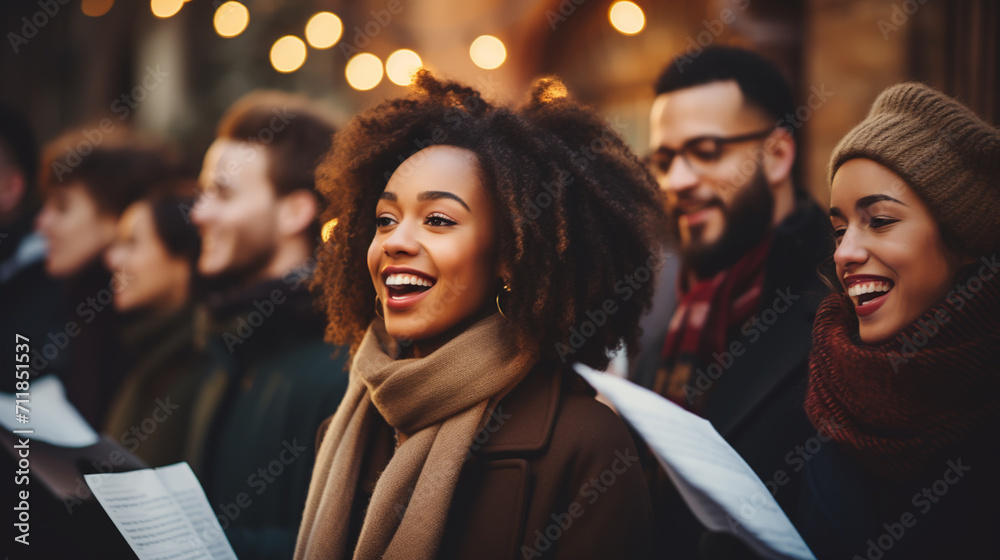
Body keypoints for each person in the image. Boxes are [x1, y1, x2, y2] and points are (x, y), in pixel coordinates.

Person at [295, 71, 661, 560]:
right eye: (385, 220)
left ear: (511, 256)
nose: (397, 241)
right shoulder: (344, 434)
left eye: (438, 220)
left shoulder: (587, 447)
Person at [796, 82, 1000, 559]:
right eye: (840, 230)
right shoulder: (830, 383)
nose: (845, 253)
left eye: (881, 221)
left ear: (964, 240)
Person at [645, 46, 832, 554]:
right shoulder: (668, 324)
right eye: (663, 160)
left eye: (705, 152)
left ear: (776, 155)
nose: (676, 181)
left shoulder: (848, 313)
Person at [185, 91, 349, 560]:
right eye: (202, 191)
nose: (199, 213)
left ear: (295, 212)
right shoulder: (229, 342)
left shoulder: (340, 368)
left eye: (223, 193)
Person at [34, 127, 178, 429]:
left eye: (62, 207)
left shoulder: (128, 322)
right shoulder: (73, 302)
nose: (42, 223)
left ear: (115, 217)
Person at [102, 183, 204, 467]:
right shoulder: (150, 351)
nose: (113, 259)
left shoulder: (201, 364)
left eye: (132, 243)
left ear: (184, 259)